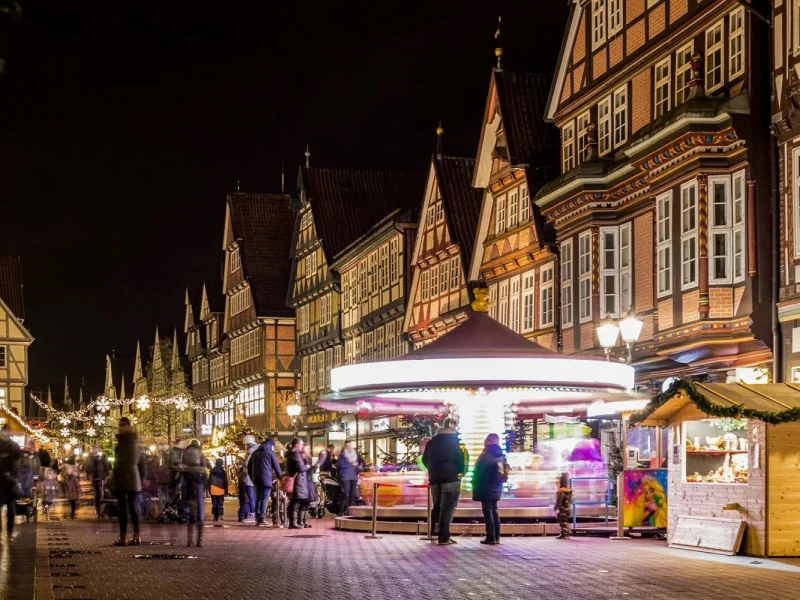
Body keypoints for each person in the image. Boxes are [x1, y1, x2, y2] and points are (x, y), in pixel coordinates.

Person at [422, 420, 465, 546]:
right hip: (451, 479)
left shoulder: (432, 442)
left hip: (435, 479)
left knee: (437, 506)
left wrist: (432, 470)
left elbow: (425, 459)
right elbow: (460, 461)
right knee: (447, 508)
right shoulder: (454, 442)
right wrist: (458, 472)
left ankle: (434, 533)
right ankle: (444, 537)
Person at [113, 417, 146, 546]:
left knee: (123, 508)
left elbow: (118, 461)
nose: (120, 427)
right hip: (134, 477)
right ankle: (137, 536)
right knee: (133, 507)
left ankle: (123, 538)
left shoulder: (122, 442)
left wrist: (115, 476)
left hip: (122, 476)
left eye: (122, 425)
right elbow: (141, 462)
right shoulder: (136, 442)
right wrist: (142, 477)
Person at [472, 433, 508, 545]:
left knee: (488, 512)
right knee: (494, 511)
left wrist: (474, 482)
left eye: (486, 441)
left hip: (485, 487)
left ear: (490, 442)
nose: (484, 442)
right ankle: (496, 536)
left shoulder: (486, 455)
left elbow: (478, 471)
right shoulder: (501, 455)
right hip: (497, 487)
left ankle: (490, 536)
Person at [247, 438, 282, 527]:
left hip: (256, 479)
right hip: (266, 479)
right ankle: (261, 519)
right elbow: (276, 467)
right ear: (271, 445)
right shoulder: (270, 452)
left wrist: (252, 478)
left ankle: (258, 519)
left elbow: (249, 466)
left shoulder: (255, 453)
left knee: (258, 498)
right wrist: (281, 478)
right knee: (264, 499)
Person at [179, 439, 207, 547]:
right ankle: (200, 541)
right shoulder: (200, 453)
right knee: (200, 508)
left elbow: (181, 467)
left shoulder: (185, 452)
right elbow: (204, 468)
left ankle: (189, 541)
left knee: (189, 506)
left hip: (187, 482)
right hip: (198, 482)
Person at [0, 425, 22, 537]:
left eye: (6, 431)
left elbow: (16, 461)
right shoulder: (14, 446)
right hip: (2, 479)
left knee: (11, 506)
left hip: (10, 480)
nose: (4, 433)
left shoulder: (14, 446)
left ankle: (10, 530)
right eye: (3, 431)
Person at [285, 438, 310, 529]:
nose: (302, 446)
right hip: (297, 481)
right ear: (297, 445)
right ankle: (293, 523)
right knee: (295, 501)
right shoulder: (295, 454)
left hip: (296, 480)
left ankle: (294, 522)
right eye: (301, 444)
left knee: (295, 501)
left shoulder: (290, 453)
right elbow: (301, 468)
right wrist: (306, 467)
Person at [337, 439, 364, 516]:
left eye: (350, 445)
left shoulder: (355, 453)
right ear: (345, 446)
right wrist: (351, 464)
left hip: (354, 475)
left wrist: (360, 465)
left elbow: (361, 461)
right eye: (347, 446)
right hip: (346, 475)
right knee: (346, 493)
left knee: (353, 494)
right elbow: (340, 465)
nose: (349, 447)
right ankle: (341, 511)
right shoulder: (343, 454)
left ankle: (351, 512)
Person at [238, 435, 258, 522]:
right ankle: (257, 514)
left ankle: (252, 514)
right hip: (256, 477)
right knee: (255, 497)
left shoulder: (250, 450)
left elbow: (247, 464)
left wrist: (241, 461)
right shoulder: (258, 449)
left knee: (250, 497)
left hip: (249, 477)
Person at [88, 447, 109, 519]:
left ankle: (101, 509)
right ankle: (98, 509)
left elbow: (107, 467)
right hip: (96, 478)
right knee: (98, 494)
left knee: (100, 493)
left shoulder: (101, 458)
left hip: (101, 478)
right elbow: (89, 469)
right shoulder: (90, 459)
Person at [554, 472, 573, 540]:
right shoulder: (568, 491)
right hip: (567, 508)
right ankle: (566, 533)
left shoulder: (561, 492)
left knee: (562, 521)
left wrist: (555, 507)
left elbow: (559, 501)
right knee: (565, 521)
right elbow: (570, 500)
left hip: (562, 509)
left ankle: (564, 534)